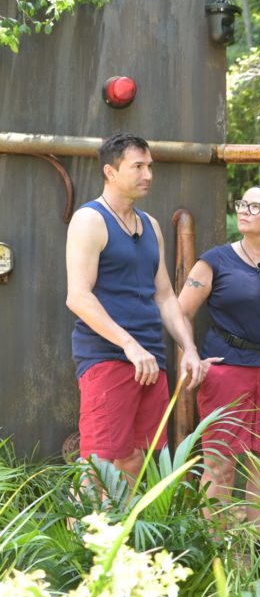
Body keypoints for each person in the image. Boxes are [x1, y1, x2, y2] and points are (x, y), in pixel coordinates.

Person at [66, 131, 202, 477]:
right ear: (110, 172)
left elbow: (166, 297)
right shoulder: (90, 220)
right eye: (138, 166)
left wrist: (188, 348)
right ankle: (82, 532)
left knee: (134, 460)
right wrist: (128, 344)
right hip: (109, 356)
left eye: (150, 166)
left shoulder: (150, 225)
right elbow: (78, 297)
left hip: (150, 359)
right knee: (99, 464)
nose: (148, 175)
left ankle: (121, 533)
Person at [178, 183, 260, 535]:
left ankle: (258, 556)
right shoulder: (214, 261)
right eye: (242, 204)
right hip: (226, 372)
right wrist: (191, 355)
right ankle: (216, 551)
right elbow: (180, 313)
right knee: (219, 465)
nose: (244, 211)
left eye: (255, 207)